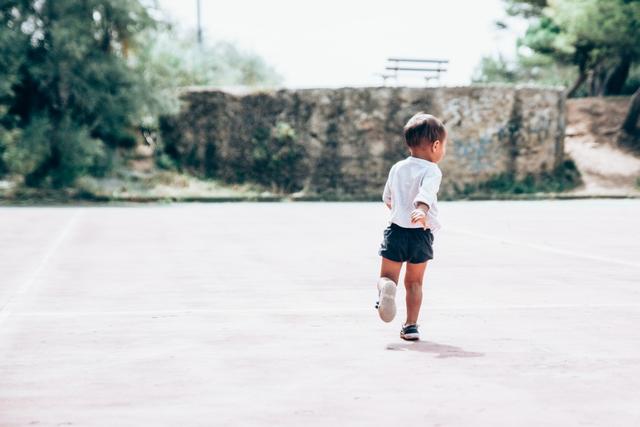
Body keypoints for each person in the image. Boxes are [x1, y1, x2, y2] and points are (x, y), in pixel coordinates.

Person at [376, 112, 447, 341]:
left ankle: (386, 289)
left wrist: (401, 211)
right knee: (414, 282)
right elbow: (427, 194)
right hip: (421, 234)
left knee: (387, 277)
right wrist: (421, 210)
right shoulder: (432, 170)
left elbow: (387, 198)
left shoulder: (397, 168)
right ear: (436, 145)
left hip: (396, 231)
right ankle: (411, 326)